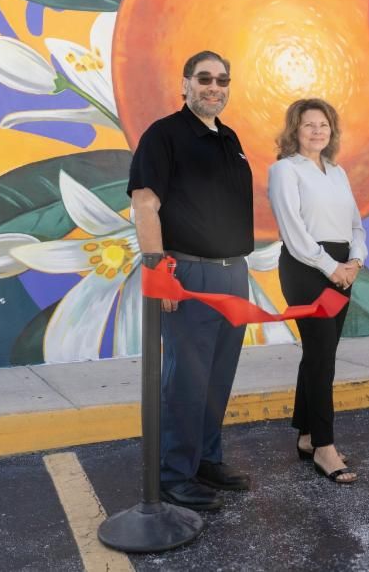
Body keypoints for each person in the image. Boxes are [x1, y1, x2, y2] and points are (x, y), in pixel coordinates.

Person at [128, 50, 255, 511]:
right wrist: (158, 267)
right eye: (205, 79)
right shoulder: (164, 135)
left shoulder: (230, 137)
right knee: (186, 379)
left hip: (232, 271)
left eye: (223, 79)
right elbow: (145, 204)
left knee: (217, 376)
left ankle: (205, 460)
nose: (214, 87)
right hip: (189, 273)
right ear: (185, 83)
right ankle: (172, 475)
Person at [268, 98, 366, 485]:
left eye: (323, 125)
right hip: (307, 269)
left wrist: (355, 263)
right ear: (295, 130)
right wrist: (332, 268)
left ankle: (307, 435)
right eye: (308, 125)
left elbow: (356, 225)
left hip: (343, 267)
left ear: (332, 130)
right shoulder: (284, 171)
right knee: (323, 358)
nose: (316, 131)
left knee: (319, 353)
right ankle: (325, 447)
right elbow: (294, 234)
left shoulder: (337, 173)